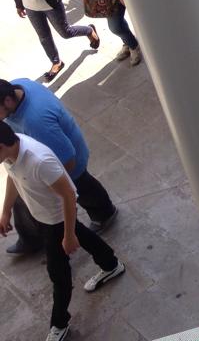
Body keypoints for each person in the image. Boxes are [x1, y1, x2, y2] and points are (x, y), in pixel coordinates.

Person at [0, 122, 125, 341]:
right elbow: (12, 176)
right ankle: (111, 265)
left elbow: (69, 195)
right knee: (83, 236)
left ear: (1, 146)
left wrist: (68, 235)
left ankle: (59, 323)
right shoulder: (10, 153)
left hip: (55, 220)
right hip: (40, 214)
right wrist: (6, 211)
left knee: (58, 274)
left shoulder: (39, 161)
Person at [0, 78, 118, 256]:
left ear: (7, 101)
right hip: (53, 152)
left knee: (79, 186)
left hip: (68, 159)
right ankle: (30, 239)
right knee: (25, 194)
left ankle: (104, 215)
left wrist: (49, 186)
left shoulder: (35, 121)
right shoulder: (18, 85)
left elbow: (68, 160)